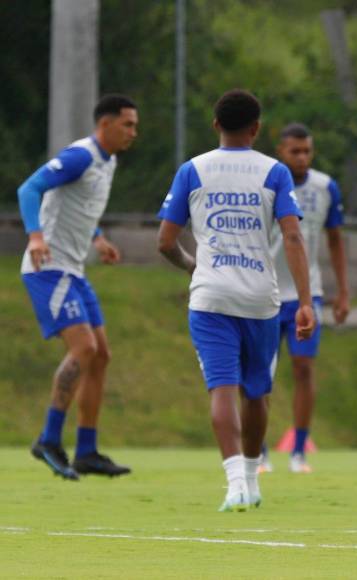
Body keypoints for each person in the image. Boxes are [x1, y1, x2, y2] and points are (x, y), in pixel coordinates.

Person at [156, 89, 314, 511]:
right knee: (257, 392)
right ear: (257, 128)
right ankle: (250, 478)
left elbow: (165, 242)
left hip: (211, 297)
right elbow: (293, 236)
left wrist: (194, 265)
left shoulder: (192, 170)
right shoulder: (275, 172)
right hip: (261, 299)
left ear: (215, 126)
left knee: (221, 389)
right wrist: (305, 301)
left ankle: (234, 486)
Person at [18, 94, 138, 480]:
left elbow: (78, 205)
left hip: (73, 271)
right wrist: (36, 237)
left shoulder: (109, 162)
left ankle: (86, 450)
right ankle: (48, 440)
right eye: (128, 124)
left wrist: (98, 238)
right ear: (105, 124)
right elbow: (29, 189)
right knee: (84, 348)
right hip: (47, 268)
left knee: (101, 354)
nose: (133, 132)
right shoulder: (80, 156)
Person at [266, 122, 349, 474]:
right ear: (281, 151)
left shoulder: (325, 186)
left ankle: (299, 450)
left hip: (306, 294)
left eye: (306, 151)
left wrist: (343, 291)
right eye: (294, 151)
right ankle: (257, 452)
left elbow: (334, 239)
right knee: (261, 373)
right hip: (265, 293)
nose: (301, 157)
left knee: (303, 369)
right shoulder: (265, 182)